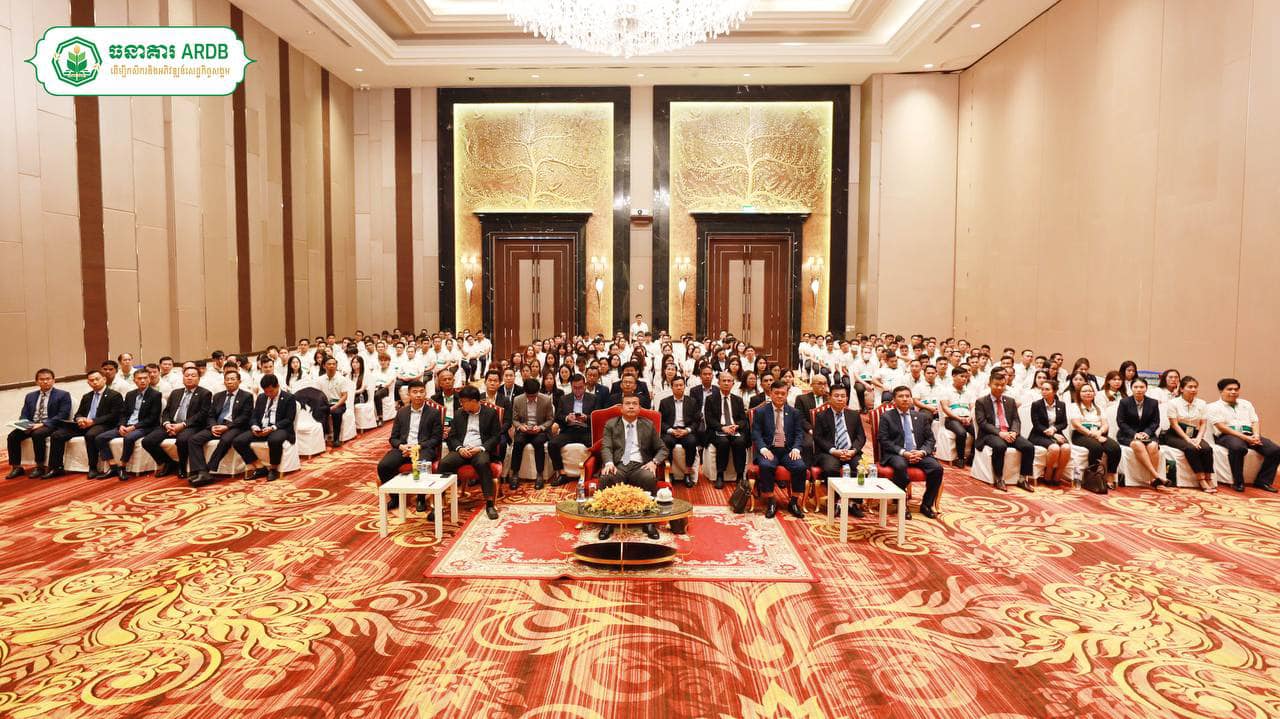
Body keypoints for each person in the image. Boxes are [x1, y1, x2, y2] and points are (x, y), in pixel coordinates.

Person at [598, 394, 668, 540]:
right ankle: (607, 522)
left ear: (639, 408)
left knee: (648, 477)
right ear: (621, 408)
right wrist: (609, 463)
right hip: (618, 465)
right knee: (607, 477)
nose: (631, 406)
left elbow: (662, 448)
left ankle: (648, 521)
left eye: (634, 404)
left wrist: (654, 462)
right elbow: (606, 446)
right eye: (627, 403)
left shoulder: (648, 425)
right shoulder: (611, 424)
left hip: (640, 466)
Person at [376, 380, 444, 512]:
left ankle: (421, 498)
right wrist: (401, 446)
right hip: (403, 448)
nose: (418, 395)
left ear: (425, 393)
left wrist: (417, 447)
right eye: (415, 392)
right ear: (409, 394)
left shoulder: (434, 413)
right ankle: (396, 497)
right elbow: (393, 438)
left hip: (423, 449)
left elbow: (436, 439)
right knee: (384, 466)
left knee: (420, 464)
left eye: (421, 392)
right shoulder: (401, 412)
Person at [876, 386, 943, 519]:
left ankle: (926, 504)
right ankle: (901, 503)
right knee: (900, 466)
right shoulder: (887, 417)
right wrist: (903, 452)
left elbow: (930, 439)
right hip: (897, 454)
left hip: (918, 453)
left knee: (937, 468)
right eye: (901, 396)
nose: (905, 399)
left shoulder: (921, 417)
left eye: (907, 396)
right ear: (894, 400)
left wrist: (922, 452)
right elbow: (883, 440)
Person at [436, 386, 502, 519]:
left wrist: (481, 448)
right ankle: (439, 503)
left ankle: (489, 503)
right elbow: (452, 437)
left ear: (473, 401)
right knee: (444, 463)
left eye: (463, 401)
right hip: (463, 449)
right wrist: (460, 448)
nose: (461, 404)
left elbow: (496, 437)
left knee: (483, 463)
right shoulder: (459, 413)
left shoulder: (490, 413)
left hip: (480, 449)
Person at [44, 370, 124, 478]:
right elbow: (79, 413)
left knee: (90, 435)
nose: (94, 382)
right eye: (91, 380)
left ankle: (93, 468)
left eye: (97, 379)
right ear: (88, 382)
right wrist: (79, 419)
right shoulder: (87, 396)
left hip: (104, 424)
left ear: (104, 379)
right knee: (57, 435)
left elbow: (114, 415)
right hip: (85, 424)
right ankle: (56, 468)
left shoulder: (114, 395)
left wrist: (93, 421)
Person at [184, 369, 254, 487]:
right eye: (227, 379)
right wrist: (213, 426)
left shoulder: (246, 396)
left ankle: (208, 470)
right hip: (216, 425)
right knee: (193, 439)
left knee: (226, 440)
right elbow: (210, 414)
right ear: (224, 382)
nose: (229, 382)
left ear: (239, 381)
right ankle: (200, 470)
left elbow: (244, 417)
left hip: (235, 426)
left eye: (232, 379)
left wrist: (226, 427)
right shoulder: (218, 396)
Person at [1207, 378, 1279, 493]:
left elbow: (1254, 421)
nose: (1233, 392)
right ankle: (1238, 482)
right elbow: (1221, 427)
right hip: (1227, 435)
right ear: (1221, 391)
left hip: (1249, 434)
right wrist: (1245, 438)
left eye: (1236, 389)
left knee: (1274, 450)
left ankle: (1263, 481)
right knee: (1239, 448)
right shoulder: (1213, 407)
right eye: (1229, 389)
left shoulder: (1246, 404)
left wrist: (1256, 435)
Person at [750, 381, 808, 519]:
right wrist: (763, 448)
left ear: (787, 394)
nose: (780, 396)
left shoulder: (794, 412)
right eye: (776, 393)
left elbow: (799, 433)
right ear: (770, 393)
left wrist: (796, 448)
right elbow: (756, 433)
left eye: (783, 393)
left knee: (800, 466)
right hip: (769, 449)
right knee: (766, 465)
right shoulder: (761, 412)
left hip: (788, 450)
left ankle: (793, 502)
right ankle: (771, 501)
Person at [142, 366, 212, 479]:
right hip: (171, 424)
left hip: (191, 426)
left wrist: (182, 425)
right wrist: (166, 423)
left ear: (199, 378)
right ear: (183, 378)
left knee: (182, 440)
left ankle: (182, 466)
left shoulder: (205, 393)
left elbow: (202, 414)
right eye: (187, 375)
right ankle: (168, 462)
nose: (189, 378)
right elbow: (166, 411)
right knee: (147, 441)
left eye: (193, 376)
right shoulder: (175, 392)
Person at [93, 368, 162, 480]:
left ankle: (122, 467)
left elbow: (152, 418)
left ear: (149, 379)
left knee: (129, 438)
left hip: (145, 427)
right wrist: (121, 425)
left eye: (145, 378)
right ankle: (113, 466)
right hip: (127, 425)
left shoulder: (155, 395)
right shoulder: (130, 394)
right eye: (139, 378)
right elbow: (124, 413)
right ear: (134, 381)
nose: (142, 381)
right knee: (100, 438)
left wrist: (133, 427)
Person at [974, 370, 1036, 492]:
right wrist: (1000, 433)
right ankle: (999, 478)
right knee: (1000, 446)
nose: (999, 387)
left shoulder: (1010, 401)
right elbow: (982, 423)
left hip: (1009, 432)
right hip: (990, 434)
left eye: (1002, 385)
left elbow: (1016, 420)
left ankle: (1023, 479)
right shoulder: (981, 402)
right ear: (989, 384)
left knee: (1028, 446)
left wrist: (1014, 432)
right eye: (996, 385)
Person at [6, 368, 73, 479]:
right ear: (36, 382)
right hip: (32, 424)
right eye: (42, 379)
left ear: (53, 380)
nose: (45, 381)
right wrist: (24, 424)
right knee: (13, 436)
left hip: (51, 424)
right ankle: (16, 467)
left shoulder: (63, 395)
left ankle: (40, 467)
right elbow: (24, 414)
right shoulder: (30, 396)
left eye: (48, 379)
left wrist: (42, 424)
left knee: (37, 434)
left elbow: (63, 415)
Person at [813, 385, 867, 518]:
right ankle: (835, 501)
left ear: (847, 398)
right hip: (829, 452)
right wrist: (834, 451)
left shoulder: (854, 415)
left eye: (843, 396)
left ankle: (853, 502)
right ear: (829, 398)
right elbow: (818, 438)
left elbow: (861, 437)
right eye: (836, 396)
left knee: (860, 467)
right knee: (831, 468)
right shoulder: (821, 416)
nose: (840, 399)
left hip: (851, 452)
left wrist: (853, 451)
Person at [232, 373, 297, 482]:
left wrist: (273, 428)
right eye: (266, 391)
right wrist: (254, 426)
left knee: (274, 440)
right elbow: (254, 415)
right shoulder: (262, 397)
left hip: (280, 428)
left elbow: (289, 419)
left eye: (271, 391)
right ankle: (260, 467)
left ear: (277, 386)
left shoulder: (288, 397)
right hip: (262, 428)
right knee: (238, 441)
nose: (268, 394)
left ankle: (273, 469)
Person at [1161, 376, 1215, 491]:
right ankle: (1201, 479)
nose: (1193, 390)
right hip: (1175, 434)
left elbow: (1203, 424)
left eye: (1195, 387)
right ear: (1182, 389)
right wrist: (1188, 439)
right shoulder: (1173, 403)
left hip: (1194, 434)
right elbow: (1174, 424)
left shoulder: (1202, 403)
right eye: (1190, 387)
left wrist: (1198, 438)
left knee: (1207, 449)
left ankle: (1209, 477)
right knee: (1191, 448)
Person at [1068, 384, 1121, 489]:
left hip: (1098, 433)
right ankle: (1091, 476)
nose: (1088, 393)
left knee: (1115, 448)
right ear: (1079, 394)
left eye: (1090, 391)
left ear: (1094, 393)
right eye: (1084, 391)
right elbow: (1076, 425)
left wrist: (1099, 432)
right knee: (1096, 447)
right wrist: (1093, 435)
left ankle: (1110, 476)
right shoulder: (1074, 407)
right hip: (1081, 435)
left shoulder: (1099, 408)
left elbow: (1105, 425)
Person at [703, 371, 749, 489]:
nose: (726, 383)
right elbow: (709, 419)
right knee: (723, 442)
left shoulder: (738, 400)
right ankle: (720, 475)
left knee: (740, 442)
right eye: (724, 381)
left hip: (734, 429)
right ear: (718, 383)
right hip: (718, 429)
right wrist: (722, 427)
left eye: (729, 381)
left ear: (733, 383)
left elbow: (743, 419)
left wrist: (736, 426)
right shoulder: (710, 399)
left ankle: (740, 476)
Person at [1115, 377, 1164, 488]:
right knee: (1138, 444)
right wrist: (1134, 434)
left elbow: (1155, 422)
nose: (1139, 389)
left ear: (1146, 388)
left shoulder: (1153, 403)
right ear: (1131, 388)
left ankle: (1153, 480)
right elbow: (1121, 422)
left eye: (1142, 387)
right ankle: (1156, 476)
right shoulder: (1124, 402)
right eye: (1136, 387)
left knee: (1153, 446)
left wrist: (1147, 432)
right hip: (1128, 434)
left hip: (1147, 434)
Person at [548, 374, 595, 486]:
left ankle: (593, 472)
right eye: (575, 387)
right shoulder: (564, 399)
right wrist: (567, 418)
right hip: (569, 430)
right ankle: (562, 473)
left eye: (580, 387)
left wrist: (586, 417)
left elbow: (597, 416)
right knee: (552, 444)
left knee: (597, 445)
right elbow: (558, 416)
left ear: (585, 385)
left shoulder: (593, 398)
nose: (578, 390)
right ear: (571, 386)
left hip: (586, 430)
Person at [509, 378, 554, 489]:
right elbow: (514, 419)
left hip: (539, 430)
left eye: (534, 396)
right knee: (518, 442)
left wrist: (541, 427)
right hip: (524, 430)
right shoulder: (517, 400)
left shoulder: (546, 400)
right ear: (525, 392)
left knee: (538, 443)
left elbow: (550, 419)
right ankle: (515, 474)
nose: (531, 398)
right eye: (529, 396)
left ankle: (540, 475)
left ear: (538, 392)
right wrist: (520, 426)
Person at [657, 375, 701, 488]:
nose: (679, 387)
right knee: (665, 441)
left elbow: (696, 421)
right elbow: (661, 421)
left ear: (684, 386)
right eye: (676, 385)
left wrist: (687, 430)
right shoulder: (664, 402)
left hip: (686, 431)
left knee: (692, 442)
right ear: (671, 387)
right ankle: (670, 473)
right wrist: (671, 430)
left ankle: (687, 473)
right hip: (671, 431)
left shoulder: (692, 401)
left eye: (681, 385)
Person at [1028, 379, 1070, 485]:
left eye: (1047, 389)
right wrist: (1053, 434)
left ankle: (1057, 476)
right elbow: (1037, 424)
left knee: (1066, 448)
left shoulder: (1061, 405)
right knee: (1054, 448)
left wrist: (1054, 429)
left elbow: (1064, 423)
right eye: (1042, 389)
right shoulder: (1036, 404)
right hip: (1039, 434)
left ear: (1054, 391)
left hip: (1056, 433)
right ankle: (1048, 474)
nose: (1044, 391)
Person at [939, 367, 976, 468]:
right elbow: (945, 408)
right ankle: (960, 458)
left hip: (967, 418)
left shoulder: (969, 392)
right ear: (954, 376)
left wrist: (969, 418)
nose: (964, 379)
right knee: (961, 433)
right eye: (962, 376)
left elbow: (973, 407)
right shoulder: (946, 390)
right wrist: (959, 418)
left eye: (966, 377)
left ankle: (972, 457)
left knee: (978, 432)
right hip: (951, 419)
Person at [316, 357, 352, 448]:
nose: (331, 366)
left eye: (334, 364)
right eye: (329, 364)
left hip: (339, 404)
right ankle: (322, 438)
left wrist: (335, 406)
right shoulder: (319, 380)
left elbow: (344, 396)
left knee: (336, 413)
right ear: (324, 366)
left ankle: (336, 439)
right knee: (318, 412)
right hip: (325, 404)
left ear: (336, 366)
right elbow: (318, 395)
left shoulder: (341, 379)